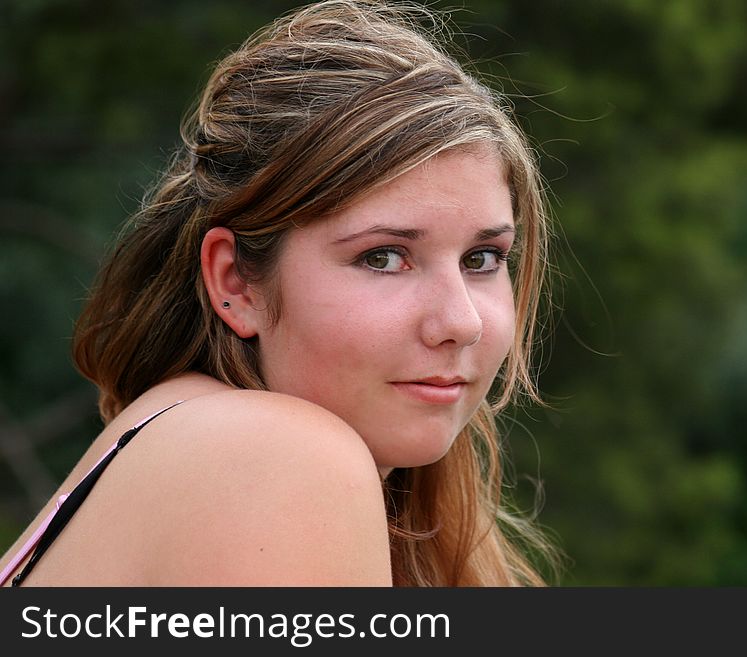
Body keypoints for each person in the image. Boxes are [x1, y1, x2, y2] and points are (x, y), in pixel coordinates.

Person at [0, 0, 555, 586]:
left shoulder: (180, 442)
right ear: (235, 281)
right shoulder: (277, 459)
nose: (462, 321)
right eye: (383, 257)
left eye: (482, 258)